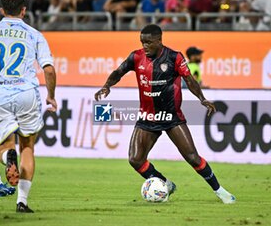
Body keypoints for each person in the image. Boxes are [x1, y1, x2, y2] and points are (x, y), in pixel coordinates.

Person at [94, 24, 235, 204]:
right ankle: (166, 184)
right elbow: (118, 72)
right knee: (135, 160)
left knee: (192, 157)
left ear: (159, 41)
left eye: (148, 42)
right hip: (147, 117)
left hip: (171, 117)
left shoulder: (174, 58)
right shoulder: (136, 57)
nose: (145, 46)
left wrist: (202, 98)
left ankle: (220, 191)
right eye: (142, 42)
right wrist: (107, 86)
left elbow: (190, 80)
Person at [0, 0, 57, 213]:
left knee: (6, 146)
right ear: (24, 10)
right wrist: (51, 95)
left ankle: (8, 157)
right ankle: (22, 201)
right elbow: (49, 69)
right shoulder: (34, 34)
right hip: (26, 92)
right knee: (27, 146)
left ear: (1, 11)